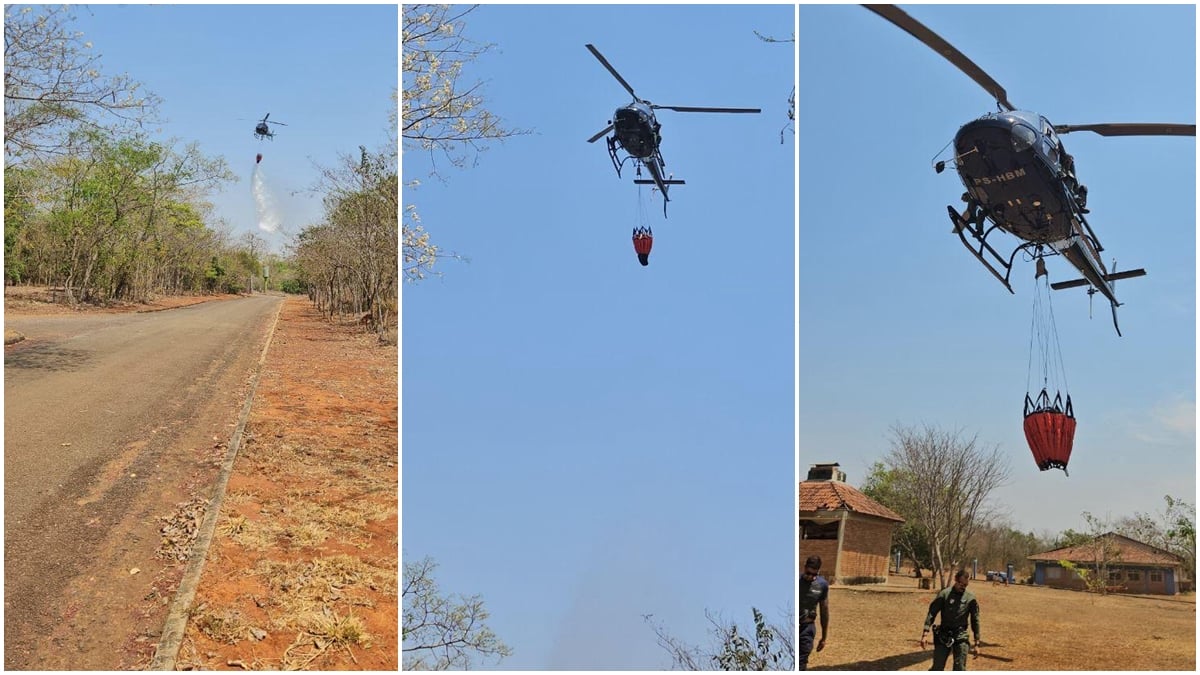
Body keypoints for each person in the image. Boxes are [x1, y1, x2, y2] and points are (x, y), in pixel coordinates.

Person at [921, 569, 981, 670]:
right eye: (961, 584)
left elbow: (975, 620)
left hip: (961, 636)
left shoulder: (970, 598)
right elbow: (932, 613)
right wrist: (925, 634)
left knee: (960, 668)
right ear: (955, 580)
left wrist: (977, 643)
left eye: (966, 585)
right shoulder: (944, 594)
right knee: (937, 667)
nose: (963, 587)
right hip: (944, 635)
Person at [798, 555, 829, 670]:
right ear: (804, 567)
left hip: (807, 628)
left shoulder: (822, 585)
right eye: (808, 573)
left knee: (801, 662)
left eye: (814, 574)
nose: (810, 577)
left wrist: (824, 637)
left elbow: (824, 610)